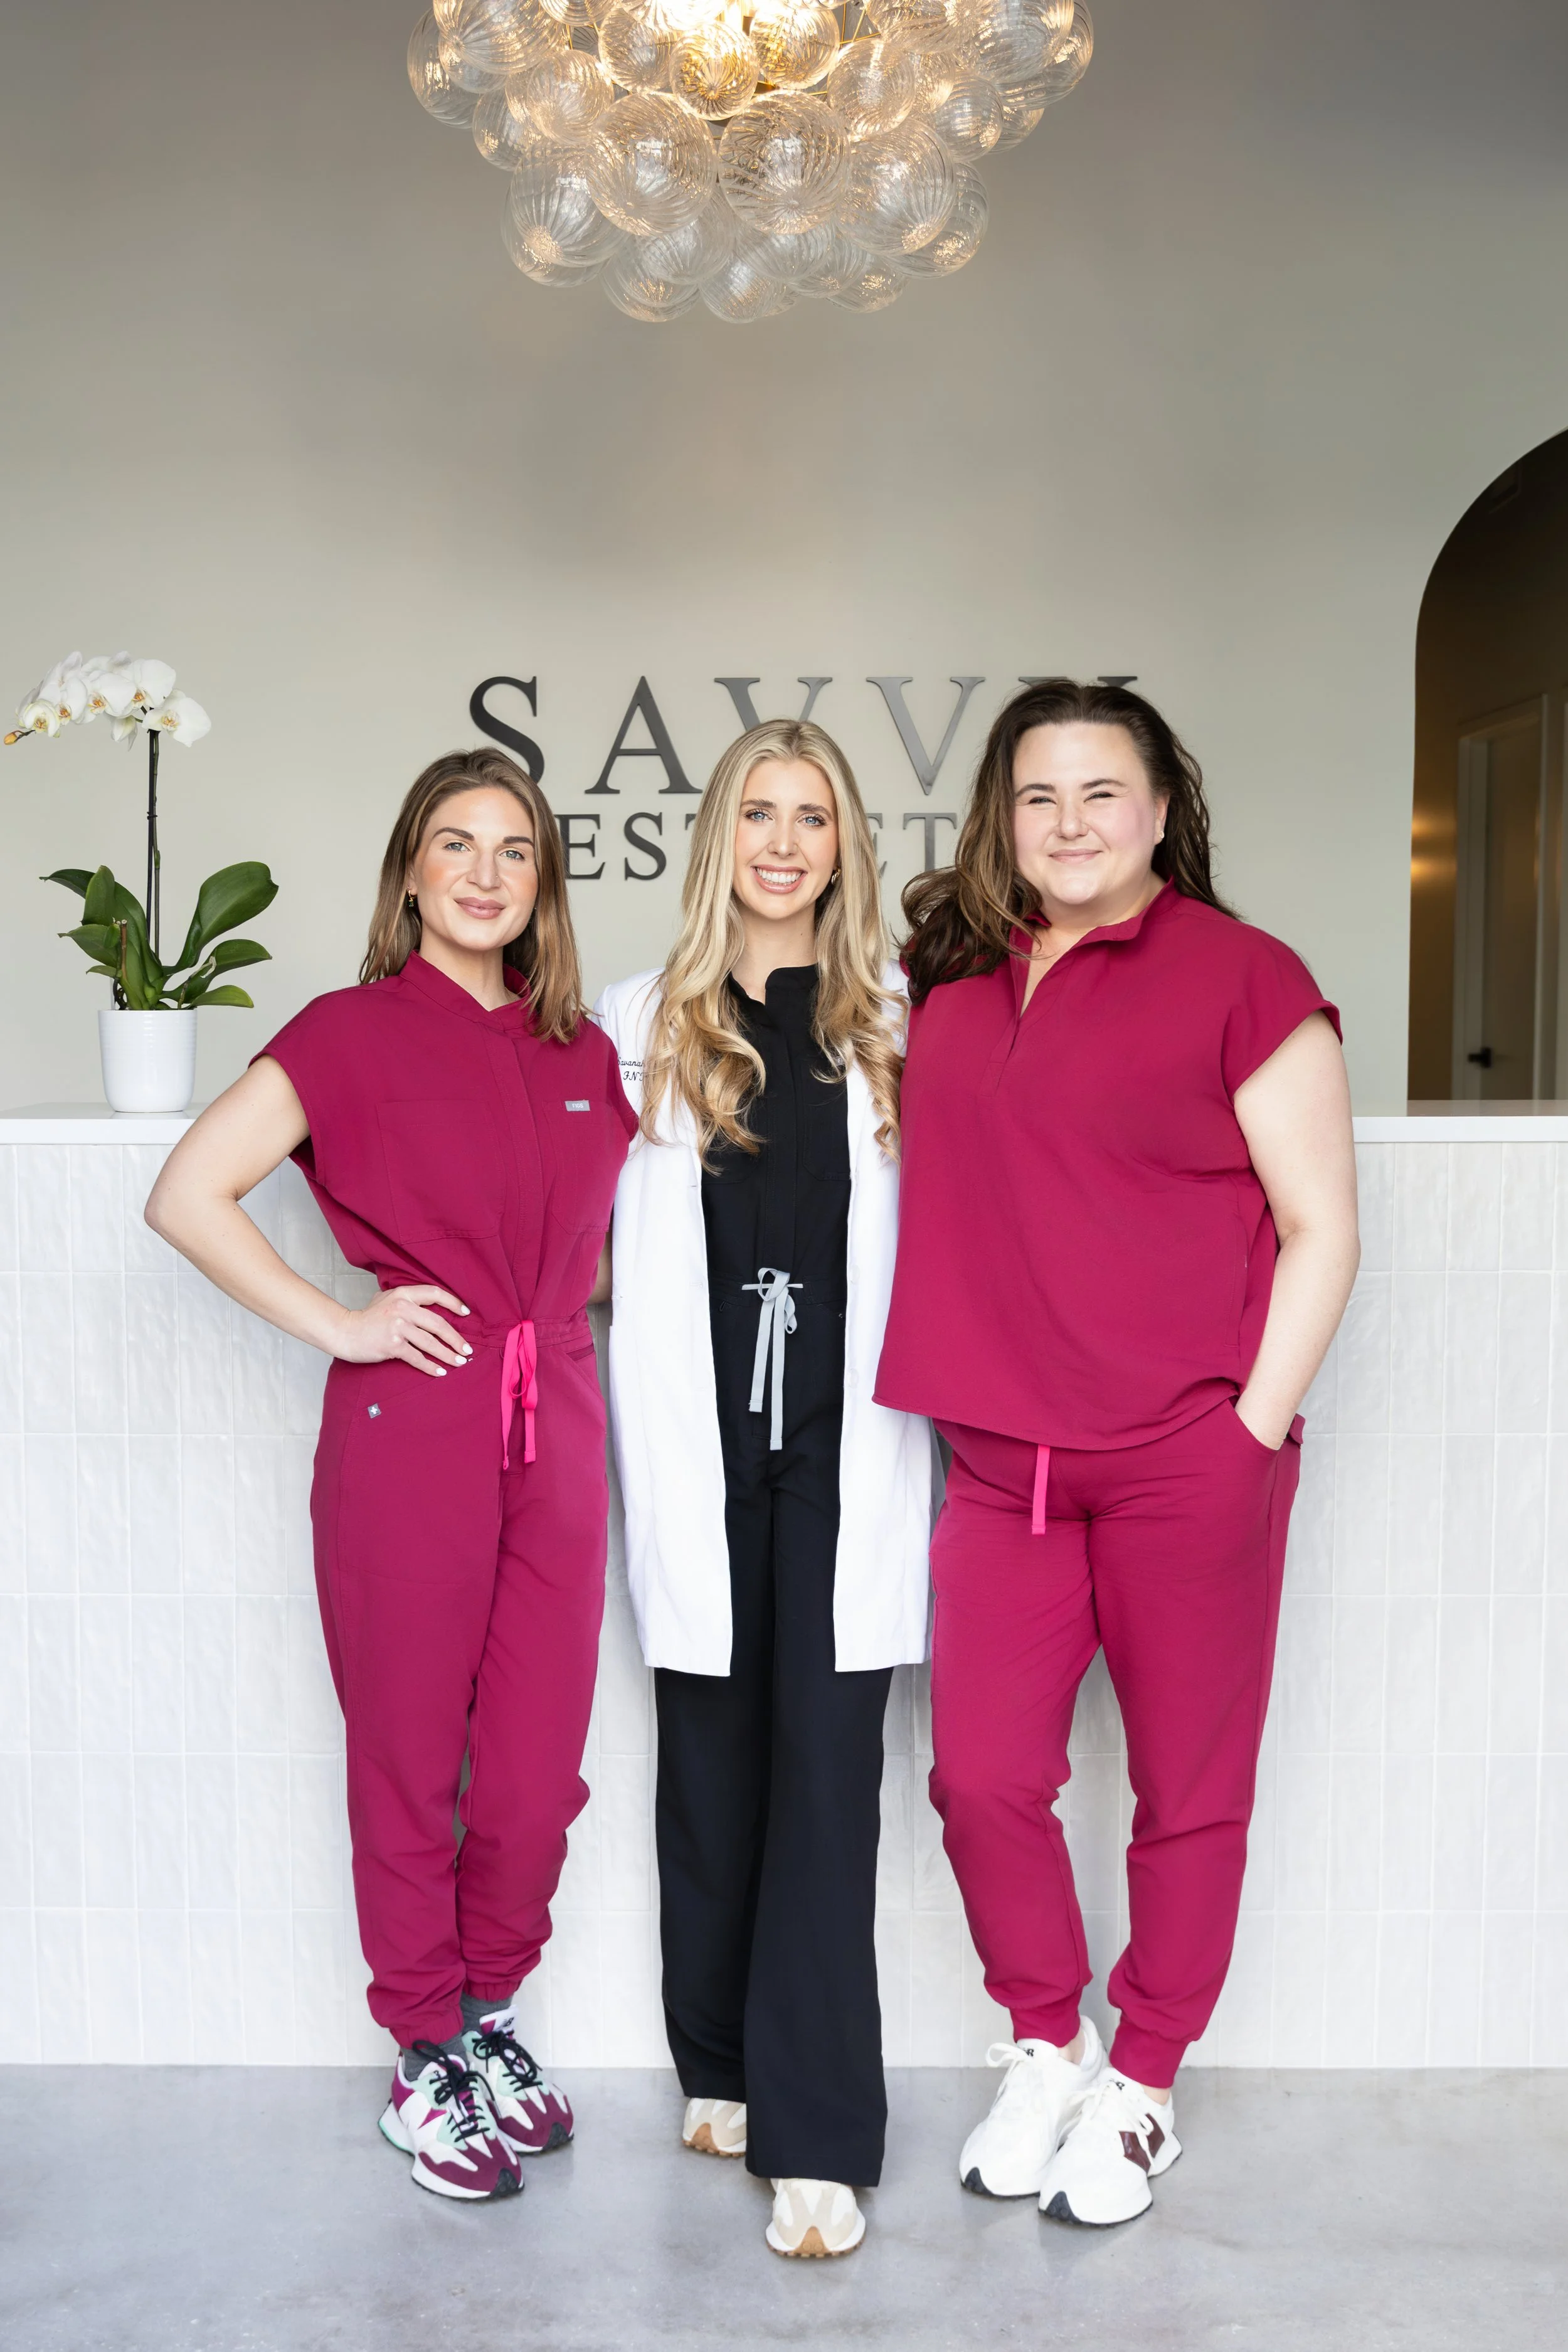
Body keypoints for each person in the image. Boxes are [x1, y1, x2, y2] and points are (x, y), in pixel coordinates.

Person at [876, 679, 1359, 2228]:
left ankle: (1142, 2082)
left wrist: (1248, 1431)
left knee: (1184, 1786)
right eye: (1036, 797)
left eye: (1100, 793)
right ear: (998, 819)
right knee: (978, 1779)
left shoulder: (1244, 975)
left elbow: (1319, 1230)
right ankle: (1047, 2044)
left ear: (1159, 809)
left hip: (1180, 1458)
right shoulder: (948, 980)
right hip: (998, 1462)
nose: (1068, 824)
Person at [147, 748, 635, 2201]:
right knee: (411, 1758)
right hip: (410, 1423)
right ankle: (424, 2048)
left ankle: (490, 2015)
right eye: (454, 844)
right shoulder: (348, 1034)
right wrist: (346, 1322)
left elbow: (605, 1246)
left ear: (541, 883)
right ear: (410, 871)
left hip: (560, 1423)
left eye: (514, 850)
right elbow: (185, 1193)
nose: (484, 873)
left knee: (537, 1777)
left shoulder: (580, 1054)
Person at [593, 719, 931, 2260]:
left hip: (841, 1453)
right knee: (712, 1767)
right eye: (756, 815)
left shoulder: (900, 1028)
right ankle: (717, 2058)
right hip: (700, 1444)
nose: (783, 844)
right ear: (715, 837)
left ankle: (816, 2135)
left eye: (812, 819)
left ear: (846, 845)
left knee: (826, 1775)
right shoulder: (630, 1026)